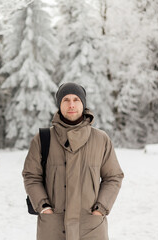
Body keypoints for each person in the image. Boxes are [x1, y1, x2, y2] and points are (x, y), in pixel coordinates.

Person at [22, 82, 124, 240]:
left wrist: (101, 208)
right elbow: (31, 176)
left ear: (83, 103)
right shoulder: (42, 139)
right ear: (59, 105)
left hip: (91, 227)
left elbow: (113, 176)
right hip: (53, 227)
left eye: (76, 99)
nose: (71, 104)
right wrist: (43, 207)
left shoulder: (101, 139)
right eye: (66, 100)